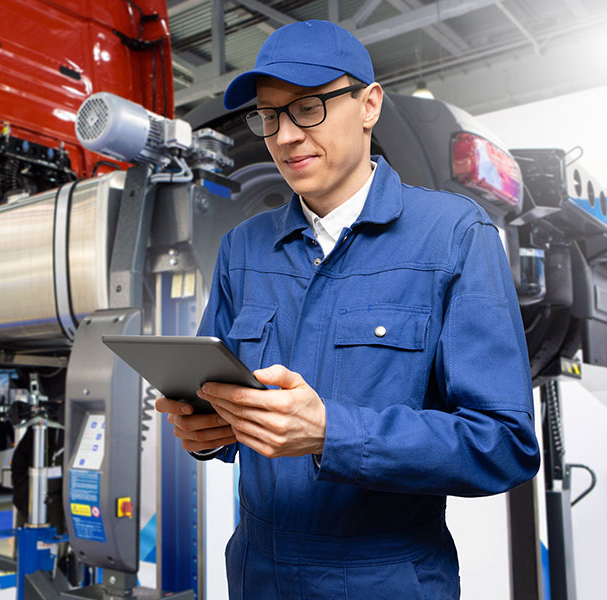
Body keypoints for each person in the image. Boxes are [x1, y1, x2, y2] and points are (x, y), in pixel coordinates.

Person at [155, 20, 540, 599]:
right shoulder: (243, 247)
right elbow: (229, 409)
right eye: (269, 116)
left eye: (308, 108)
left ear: (369, 104)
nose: (285, 136)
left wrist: (331, 432)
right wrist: (207, 431)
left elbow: (504, 444)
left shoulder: (453, 235)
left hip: (386, 578)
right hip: (259, 575)